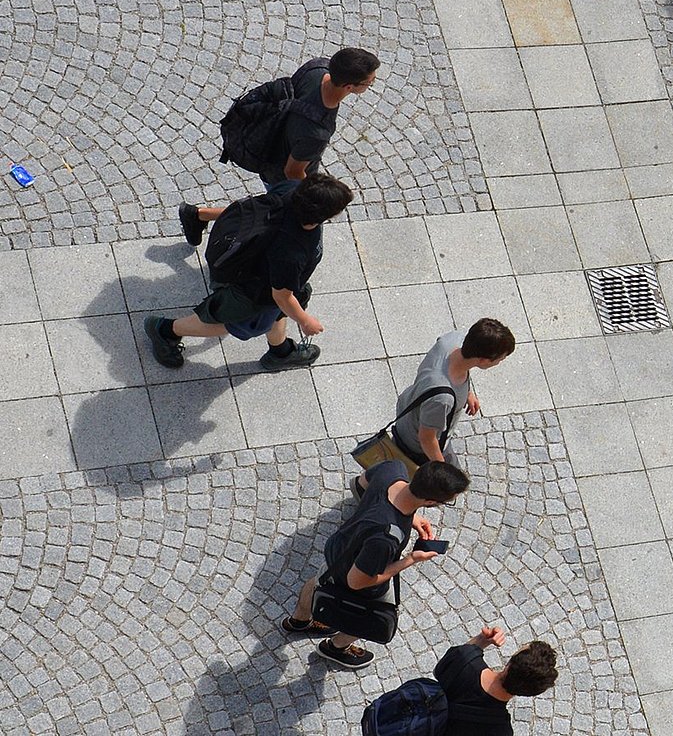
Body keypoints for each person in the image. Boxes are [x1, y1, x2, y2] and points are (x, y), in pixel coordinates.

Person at [143, 173, 353, 372]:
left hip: (259, 273)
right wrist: (305, 321)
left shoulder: (293, 189)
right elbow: (281, 297)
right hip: (253, 290)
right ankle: (165, 330)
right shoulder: (291, 251)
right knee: (235, 325)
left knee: (275, 313)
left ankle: (280, 352)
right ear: (320, 216)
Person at [179, 47, 379, 246]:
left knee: (267, 210)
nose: (371, 84)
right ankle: (198, 216)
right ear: (349, 87)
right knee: (268, 215)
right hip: (280, 169)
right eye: (369, 83)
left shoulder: (317, 69)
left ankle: (199, 216)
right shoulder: (316, 132)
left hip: (274, 141)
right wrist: (316, 198)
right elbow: (292, 171)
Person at [282, 459, 471, 669]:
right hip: (354, 571)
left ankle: (299, 621)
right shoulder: (386, 538)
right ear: (429, 501)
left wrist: (411, 515)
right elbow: (357, 582)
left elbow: (362, 483)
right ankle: (335, 648)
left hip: (339, 548)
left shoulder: (393, 469)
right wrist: (411, 559)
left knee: (319, 580)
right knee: (369, 616)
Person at [374, 319, 517, 481]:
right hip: (417, 443)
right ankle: (367, 485)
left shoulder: (453, 340)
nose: (500, 362)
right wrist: (441, 471)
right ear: (484, 360)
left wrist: (466, 392)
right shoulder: (442, 399)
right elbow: (427, 439)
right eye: (500, 359)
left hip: (410, 406)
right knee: (451, 481)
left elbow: (455, 369)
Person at [435, 627, 560, 734]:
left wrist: (482, 640)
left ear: (508, 666)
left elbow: (439, 671)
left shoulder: (465, 661)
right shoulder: (501, 730)